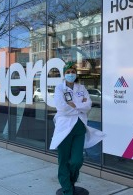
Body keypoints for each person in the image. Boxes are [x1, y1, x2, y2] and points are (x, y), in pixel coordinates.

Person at [49, 62, 105, 195]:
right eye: (67, 72)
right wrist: (80, 107)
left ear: (76, 73)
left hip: (79, 127)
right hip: (64, 129)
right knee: (63, 160)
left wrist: (74, 106)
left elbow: (89, 105)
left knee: (77, 160)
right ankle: (67, 189)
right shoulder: (59, 88)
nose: (70, 74)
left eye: (72, 71)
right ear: (64, 74)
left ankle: (71, 181)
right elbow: (61, 108)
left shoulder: (81, 88)